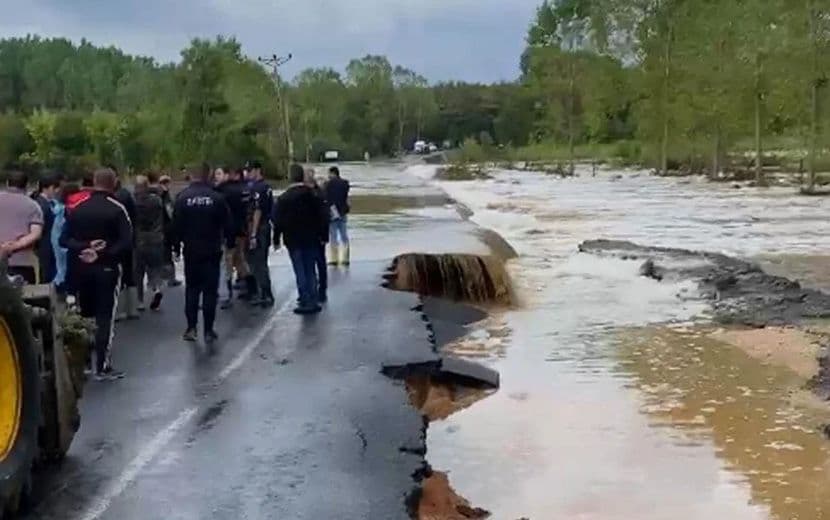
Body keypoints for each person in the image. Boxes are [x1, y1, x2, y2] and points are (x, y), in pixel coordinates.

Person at [59, 168, 132, 381]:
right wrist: (104, 251)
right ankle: (102, 365)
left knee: (82, 315)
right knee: (105, 316)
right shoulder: (118, 209)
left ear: (93, 183)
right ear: (114, 183)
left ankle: (82, 363)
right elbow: (126, 242)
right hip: (106, 267)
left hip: (80, 267)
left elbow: (64, 240)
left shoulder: (78, 209)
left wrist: (84, 246)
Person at [172, 163, 233, 344]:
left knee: (192, 289)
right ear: (209, 175)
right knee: (209, 292)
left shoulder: (182, 198)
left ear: (191, 175)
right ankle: (208, 329)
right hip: (211, 250)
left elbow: (175, 226)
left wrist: (175, 247)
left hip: (191, 250)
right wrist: (229, 242)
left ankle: (191, 327)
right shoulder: (217, 198)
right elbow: (228, 224)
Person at [273, 164, 328, 315]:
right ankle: (313, 299)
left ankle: (304, 299)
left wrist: (276, 239)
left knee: (300, 269)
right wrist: (323, 235)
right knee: (310, 269)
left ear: (290, 177)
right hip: (311, 237)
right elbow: (322, 216)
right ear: (302, 177)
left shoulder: (284, 198)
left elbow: (277, 221)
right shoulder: (312, 195)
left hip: (293, 239)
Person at [216, 167, 253, 309]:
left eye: (219, 174)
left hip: (228, 232)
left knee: (227, 262)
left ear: (227, 174)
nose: (217, 177)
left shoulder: (223, 191)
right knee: (240, 260)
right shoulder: (243, 189)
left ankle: (226, 294)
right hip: (242, 230)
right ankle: (251, 288)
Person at [0, 171, 44, 284]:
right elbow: (35, 233)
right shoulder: (32, 205)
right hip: (22, 262)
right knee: (23, 297)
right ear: (26, 185)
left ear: (7, 183)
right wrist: (15, 246)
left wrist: (3, 247)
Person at [133, 175, 166, 311]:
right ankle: (156, 289)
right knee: (155, 268)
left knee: (138, 272)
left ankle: (140, 301)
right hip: (156, 238)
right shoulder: (157, 201)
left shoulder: (134, 203)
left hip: (139, 239)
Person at [245, 160, 275, 308]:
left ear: (257, 170)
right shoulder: (267, 187)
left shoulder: (258, 188)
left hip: (259, 227)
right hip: (266, 226)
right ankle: (264, 291)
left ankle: (265, 293)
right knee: (261, 260)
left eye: (250, 170)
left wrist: (253, 234)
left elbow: (257, 211)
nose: (248, 173)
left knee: (258, 262)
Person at [114, 177, 139, 321]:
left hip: (116, 241)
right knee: (129, 274)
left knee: (118, 275)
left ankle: (120, 310)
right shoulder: (127, 195)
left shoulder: (113, 198)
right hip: (129, 240)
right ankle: (132, 309)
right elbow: (134, 217)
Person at [304, 167, 330, 303]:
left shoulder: (318, 195)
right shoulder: (317, 194)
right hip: (312, 234)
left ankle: (320, 289)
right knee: (313, 262)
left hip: (317, 234)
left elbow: (324, 217)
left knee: (318, 262)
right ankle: (315, 289)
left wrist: (324, 236)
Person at [32, 172, 63, 283]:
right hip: (45, 245)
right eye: (55, 188)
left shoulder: (50, 203)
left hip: (50, 245)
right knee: (46, 274)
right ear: (49, 188)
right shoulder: (41, 204)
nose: (57, 191)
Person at [51, 182, 79, 296]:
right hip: (65, 241)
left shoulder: (58, 208)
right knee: (66, 268)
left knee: (60, 266)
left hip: (56, 239)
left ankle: (59, 286)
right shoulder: (68, 210)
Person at [158, 175, 183, 287]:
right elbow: (170, 214)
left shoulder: (161, 196)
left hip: (162, 229)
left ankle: (166, 276)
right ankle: (170, 278)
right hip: (166, 229)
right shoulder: (164, 197)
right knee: (167, 253)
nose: (166, 185)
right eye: (164, 183)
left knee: (165, 253)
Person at [325, 166, 351, 266]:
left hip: (332, 212)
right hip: (343, 212)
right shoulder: (345, 183)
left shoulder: (328, 184)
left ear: (332, 173)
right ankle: (345, 258)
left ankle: (334, 259)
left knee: (333, 237)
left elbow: (326, 198)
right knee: (344, 235)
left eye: (329, 174)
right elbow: (346, 197)